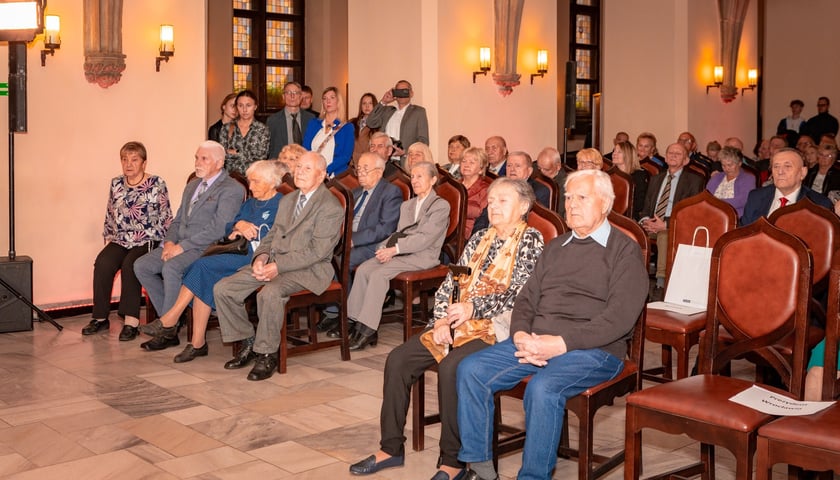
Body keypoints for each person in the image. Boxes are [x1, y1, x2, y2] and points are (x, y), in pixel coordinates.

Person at [456, 169, 649, 480]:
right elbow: (526, 301)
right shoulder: (555, 247)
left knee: (543, 389)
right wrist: (520, 336)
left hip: (595, 350)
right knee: (471, 370)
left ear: (605, 203)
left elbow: (619, 319)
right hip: (535, 340)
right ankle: (479, 467)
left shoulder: (624, 251)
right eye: (568, 197)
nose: (571, 204)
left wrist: (558, 344)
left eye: (581, 197)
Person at [348, 178, 544, 480]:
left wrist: (472, 309)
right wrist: (440, 319)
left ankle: (452, 462)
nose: (493, 207)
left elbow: (519, 293)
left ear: (524, 206)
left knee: (453, 366)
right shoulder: (480, 237)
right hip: (454, 320)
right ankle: (390, 448)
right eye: (490, 201)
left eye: (502, 201)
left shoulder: (531, 240)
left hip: (496, 327)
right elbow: (452, 282)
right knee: (398, 359)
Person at [213, 152, 344, 381]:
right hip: (276, 262)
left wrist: (278, 266)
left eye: (307, 169)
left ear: (322, 175)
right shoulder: (288, 199)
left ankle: (266, 354)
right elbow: (272, 234)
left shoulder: (330, 206)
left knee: (270, 293)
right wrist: (261, 258)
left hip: (309, 269)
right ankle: (249, 340)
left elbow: (317, 252)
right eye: (299, 167)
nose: (300, 172)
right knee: (224, 289)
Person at [138, 161, 286, 358]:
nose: (250, 187)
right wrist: (238, 226)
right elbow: (228, 226)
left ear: (271, 182)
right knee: (202, 273)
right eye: (250, 181)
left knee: (201, 267)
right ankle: (195, 341)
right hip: (237, 253)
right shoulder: (250, 203)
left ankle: (172, 321)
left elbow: (282, 236)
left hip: (258, 258)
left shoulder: (282, 203)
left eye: (256, 182)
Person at [134, 141, 246, 349]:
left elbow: (219, 228)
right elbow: (177, 221)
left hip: (206, 248)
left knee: (172, 267)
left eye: (204, 159)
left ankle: (167, 330)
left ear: (219, 163)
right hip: (180, 243)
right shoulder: (192, 185)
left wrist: (182, 247)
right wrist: (169, 243)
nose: (197, 162)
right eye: (196, 157)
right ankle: (169, 320)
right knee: (142, 266)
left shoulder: (232, 189)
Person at [345, 161, 450, 351]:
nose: (415, 180)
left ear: (433, 180)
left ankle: (367, 329)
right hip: (403, 252)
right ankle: (354, 320)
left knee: (379, 274)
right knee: (364, 269)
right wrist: (384, 248)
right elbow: (399, 232)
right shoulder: (407, 205)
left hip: (423, 256)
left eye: (420, 176)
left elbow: (424, 239)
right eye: (413, 176)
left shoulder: (440, 206)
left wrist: (394, 250)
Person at [83, 141, 173, 340]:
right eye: (125, 160)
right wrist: (108, 235)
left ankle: (131, 321)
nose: (129, 164)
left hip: (147, 238)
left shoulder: (157, 183)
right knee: (103, 262)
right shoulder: (116, 183)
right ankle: (100, 317)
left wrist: (168, 243)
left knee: (130, 265)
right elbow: (110, 211)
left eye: (134, 160)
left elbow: (167, 215)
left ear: (144, 163)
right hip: (121, 238)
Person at [321, 152, 403, 337]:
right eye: (359, 168)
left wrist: (353, 239)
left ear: (379, 172)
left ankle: (349, 317)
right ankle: (335, 312)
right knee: (326, 258)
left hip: (373, 245)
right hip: (349, 242)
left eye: (365, 169)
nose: (360, 173)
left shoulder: (391, 192)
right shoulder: (356, 192)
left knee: (342, 261)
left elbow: (386, 228)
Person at [639, 143, 705, 293]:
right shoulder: (656, 179)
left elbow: (691, 212)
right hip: (651, 224)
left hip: (674, 226)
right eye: (670, 153)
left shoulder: (694, 181)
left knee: (663, 235)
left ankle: (661, 283)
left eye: (678, 153)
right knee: (632, 234)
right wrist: (646, 221)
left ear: (686, 160)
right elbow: (646, 208)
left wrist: (666, 224)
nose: (673, 155)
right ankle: (633, 276)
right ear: (665, 158)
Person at [741, 148, 833, 226]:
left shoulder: (819, 204)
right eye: (776, 166)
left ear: (803, 172)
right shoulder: (756, 197)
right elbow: (744, 232)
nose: (780, 172)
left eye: (787, 166)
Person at [366, 80, 430, 161]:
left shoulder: (418, 112)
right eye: (398, 91)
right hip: (384, 160)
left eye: (405, 91)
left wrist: (405, 152)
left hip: (405, 160)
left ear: (411, 93)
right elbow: (370, 122)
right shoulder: (387, 110)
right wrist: (383, 101)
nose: (401, 94)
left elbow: (423, 141)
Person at [303, 86, 355, 177]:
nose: (328, 101)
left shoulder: (347, 128)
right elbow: (305, 150)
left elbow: (346, 156)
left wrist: (326, 170)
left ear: (338, 101)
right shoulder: (313, 124)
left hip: (334, 176)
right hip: (313, 174)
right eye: (325, 98)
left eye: (332, 97)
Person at [218, 90, 270, 175]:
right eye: (240, 105)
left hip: (254, 178)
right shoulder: (227, 128)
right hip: (230, 178)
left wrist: (236, 152)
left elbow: (261, 158)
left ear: (255, 107)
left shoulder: (262, 129)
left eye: (248, 105)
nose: (244, 110)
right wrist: (249, 154)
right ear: (236, 107)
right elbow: (222, 154)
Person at [266, 81, 316, 159]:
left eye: (296, 93)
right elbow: (270, 149)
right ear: (283, 96)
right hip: (282, 165)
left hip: (305, 165)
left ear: (300, 97)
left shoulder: (311, 119)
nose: (292, 96)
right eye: (288, 93)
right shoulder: (273, 120)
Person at [705, 146, 756, 218]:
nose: (726, 168)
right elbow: (706, 196)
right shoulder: (717, 177)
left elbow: (742, 200)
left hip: (734, 216)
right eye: (723, 165)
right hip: (712, 213)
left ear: (739, 163)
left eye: (730, 165)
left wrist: (717, 203)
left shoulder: (748, 178)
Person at [611, 141, 649, 220]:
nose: (614, 154)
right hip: (610, 215)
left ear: (628, 155)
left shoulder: (639, 175)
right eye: (614, 151)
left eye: (619, 152)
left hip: (631, 217)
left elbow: (640, 204)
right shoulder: (609, 175)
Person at [460, 147, 493, 239]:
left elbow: (482, 216)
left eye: (471, 162)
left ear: (481, 170)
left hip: (468, 235)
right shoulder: (453, 186)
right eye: (464, 161)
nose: (466, 165)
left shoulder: (486, 189)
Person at [536, 147, 567, 215]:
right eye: (539, 168)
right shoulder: (535, 170)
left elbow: (558, 214)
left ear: (558, 166)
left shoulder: (565, 185)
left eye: (546, 169)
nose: (542, 172)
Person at [350, 92, 379, 166]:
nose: (367, 106)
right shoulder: (352, 122)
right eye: (364, 103)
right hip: (351, 165)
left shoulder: (378, 125)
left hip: (369, 165)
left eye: (370, 103)